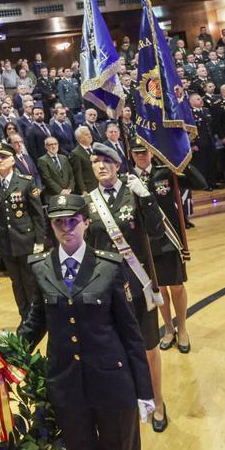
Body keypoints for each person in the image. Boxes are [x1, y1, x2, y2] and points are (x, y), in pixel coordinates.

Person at [17, 194, 154, 450]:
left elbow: (131, 334)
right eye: (59, 223)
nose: (66, 229)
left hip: (111, 383)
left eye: (73, 221)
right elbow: (35, 321)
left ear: (86, 223)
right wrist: (2, 353)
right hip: (67, 385)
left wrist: (144, 390)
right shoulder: (41, 268)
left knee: (120, 447)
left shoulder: (109, 266)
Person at [82, 143, 170, 432]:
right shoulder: (88, 202)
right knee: (114, 351)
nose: (101, 166)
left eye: (107, 160)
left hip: (137, 285)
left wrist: (147, 198)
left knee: (147, 349)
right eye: (95, 161)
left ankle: (157, 401)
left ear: (119, 165)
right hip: (106, 291)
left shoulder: (133, 193)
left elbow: (157, 231)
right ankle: (128, 399)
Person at [128, 140, 207, 356]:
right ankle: (169, 329)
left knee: (177, 287)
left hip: (168, 239)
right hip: (145, 242)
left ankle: (182, 327)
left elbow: (201, 183)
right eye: (137, 153)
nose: (141, 157)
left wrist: (182, 164)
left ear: (152, 153)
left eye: (144, 153)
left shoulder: (165, 173)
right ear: (132, 155)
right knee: (159, 290)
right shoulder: (128, 178)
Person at [0, 143, 47, 321]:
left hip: (25, 238)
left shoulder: (25, 182)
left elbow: (36, 213)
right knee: (16, 282)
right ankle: (24, 317)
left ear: (13, 160)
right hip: (5, 241)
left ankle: (36, 318)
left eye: (3, 157)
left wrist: (39, 240)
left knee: (30, 281)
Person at [69, 126, 98, 194]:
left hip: (100, 184)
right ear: (80, 138)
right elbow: (78, 174)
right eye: (86, 134)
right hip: (88, 187)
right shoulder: (76, 153)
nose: (89, 136)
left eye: (89, 134)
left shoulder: (95, 149)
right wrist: (83, 190)